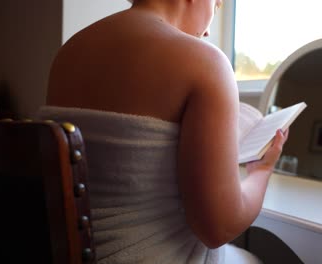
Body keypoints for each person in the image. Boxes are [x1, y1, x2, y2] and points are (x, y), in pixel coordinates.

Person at [38, 0, 288, 263]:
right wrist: (261, 171)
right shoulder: (206, 62)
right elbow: (219, 227)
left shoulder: (69, 52)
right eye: (216, 6)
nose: (207, 32)